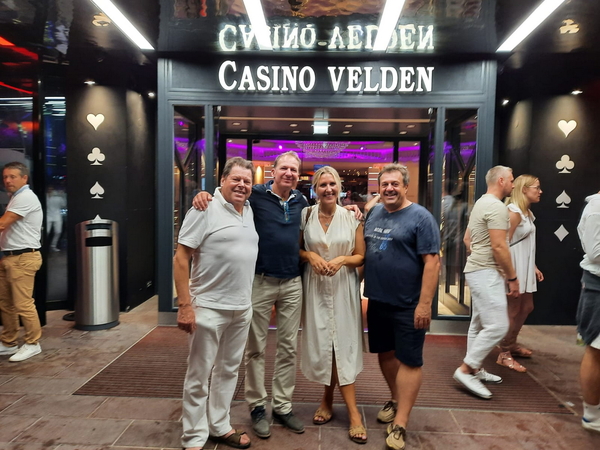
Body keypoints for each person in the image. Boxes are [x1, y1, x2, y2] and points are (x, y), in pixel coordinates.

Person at [194, 151, 309, 438]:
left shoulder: (302, 202)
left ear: (298, 174)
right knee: (255, 348)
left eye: (294, 170)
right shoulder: (256, 196)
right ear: (273, 170)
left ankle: (282, 406)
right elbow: (230, 192)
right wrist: (204, 194)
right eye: (284, 168)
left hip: (293, 281)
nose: (289, 174)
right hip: (259, 281)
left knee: (288, 348)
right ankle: (258, 407)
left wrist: (356, 209)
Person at [175, 157, 258, 450]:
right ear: (222, 180)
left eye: (247, 181)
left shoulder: (247, 209)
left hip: (241, 307)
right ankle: (194, 436)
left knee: (228, 371)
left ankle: (219, 425)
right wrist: (185, 305)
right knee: (199, 375)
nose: (242, 185)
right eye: (236, 179)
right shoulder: (204, 208)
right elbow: (181, 258)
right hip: (208, 307)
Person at [363, 163, 440, 450]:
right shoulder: (374, 213)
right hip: (378, 300)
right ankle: (396, 399)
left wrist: (424, 304)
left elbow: (432, 263)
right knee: (385, 353)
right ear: (379, 187)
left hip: (409, 304)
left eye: (395, 184)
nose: (390, 189)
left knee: (409, 360)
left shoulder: (421, 218)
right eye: (385, 184)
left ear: (406, 187)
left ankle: (401, 423)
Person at [299, 166, 367, 444]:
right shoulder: (305, 215)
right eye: (323, 185)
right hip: (315, 287)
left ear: (340, 188)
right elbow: (297, 248)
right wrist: (309, 256)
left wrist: (341, 260)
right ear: (315, 189)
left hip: (343, 289)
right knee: (326, 344)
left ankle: (353, 413)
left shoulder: (352, 217)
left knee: (343, 345)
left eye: (333, 184)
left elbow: (360, 256)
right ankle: (326, 399)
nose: (328, 189)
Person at [453, 165, 518, 400]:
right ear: (501, 181)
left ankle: (475, 369)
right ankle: (466, 369)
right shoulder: (497, 207)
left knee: (478, 324)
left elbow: (467, 239)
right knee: (499, 325)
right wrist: (512, 278)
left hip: (479, 269)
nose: (513, 183)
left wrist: (479, 256)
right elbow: (499, 246)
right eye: (511, 179)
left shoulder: (481, 202)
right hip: (486, 271)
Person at [497, 175, 544, 373]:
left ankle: (511, 343)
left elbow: (525, 243)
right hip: (514, 268)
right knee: (513, 310)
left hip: (524, 266)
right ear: (524, 190)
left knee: (527, 306)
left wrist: (532, 265)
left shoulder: (526, 212)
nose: (540, 191)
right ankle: (504, 352)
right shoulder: (513, 212)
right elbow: (503, 243)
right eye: (537, 187)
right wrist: (510, 273)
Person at [0, 162, 44, 362]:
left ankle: (33, 344)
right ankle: (8, 342)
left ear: (24, 178)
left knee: (23, 304)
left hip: (23, 258)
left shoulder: (25, 197)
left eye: (12, 177)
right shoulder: (16, 197)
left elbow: (2, 223)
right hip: (9, 257)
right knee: (6, 303)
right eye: (5, 177)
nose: (7, 180)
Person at [576, 190, 600, 433]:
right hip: (597, 285)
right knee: (596, 348)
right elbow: (595, 252)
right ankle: (592, 415)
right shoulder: (596, 207)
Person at [46, 186, 66, 252]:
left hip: (57, 215)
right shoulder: (45, 196)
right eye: (49, 189)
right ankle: (44, 246)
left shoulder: (58, 197)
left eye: (51, 189)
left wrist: (62, 195)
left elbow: (64, 205)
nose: (50, 190)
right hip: (48, 215)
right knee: (47, 232)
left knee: (58, 231)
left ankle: (53, 246)